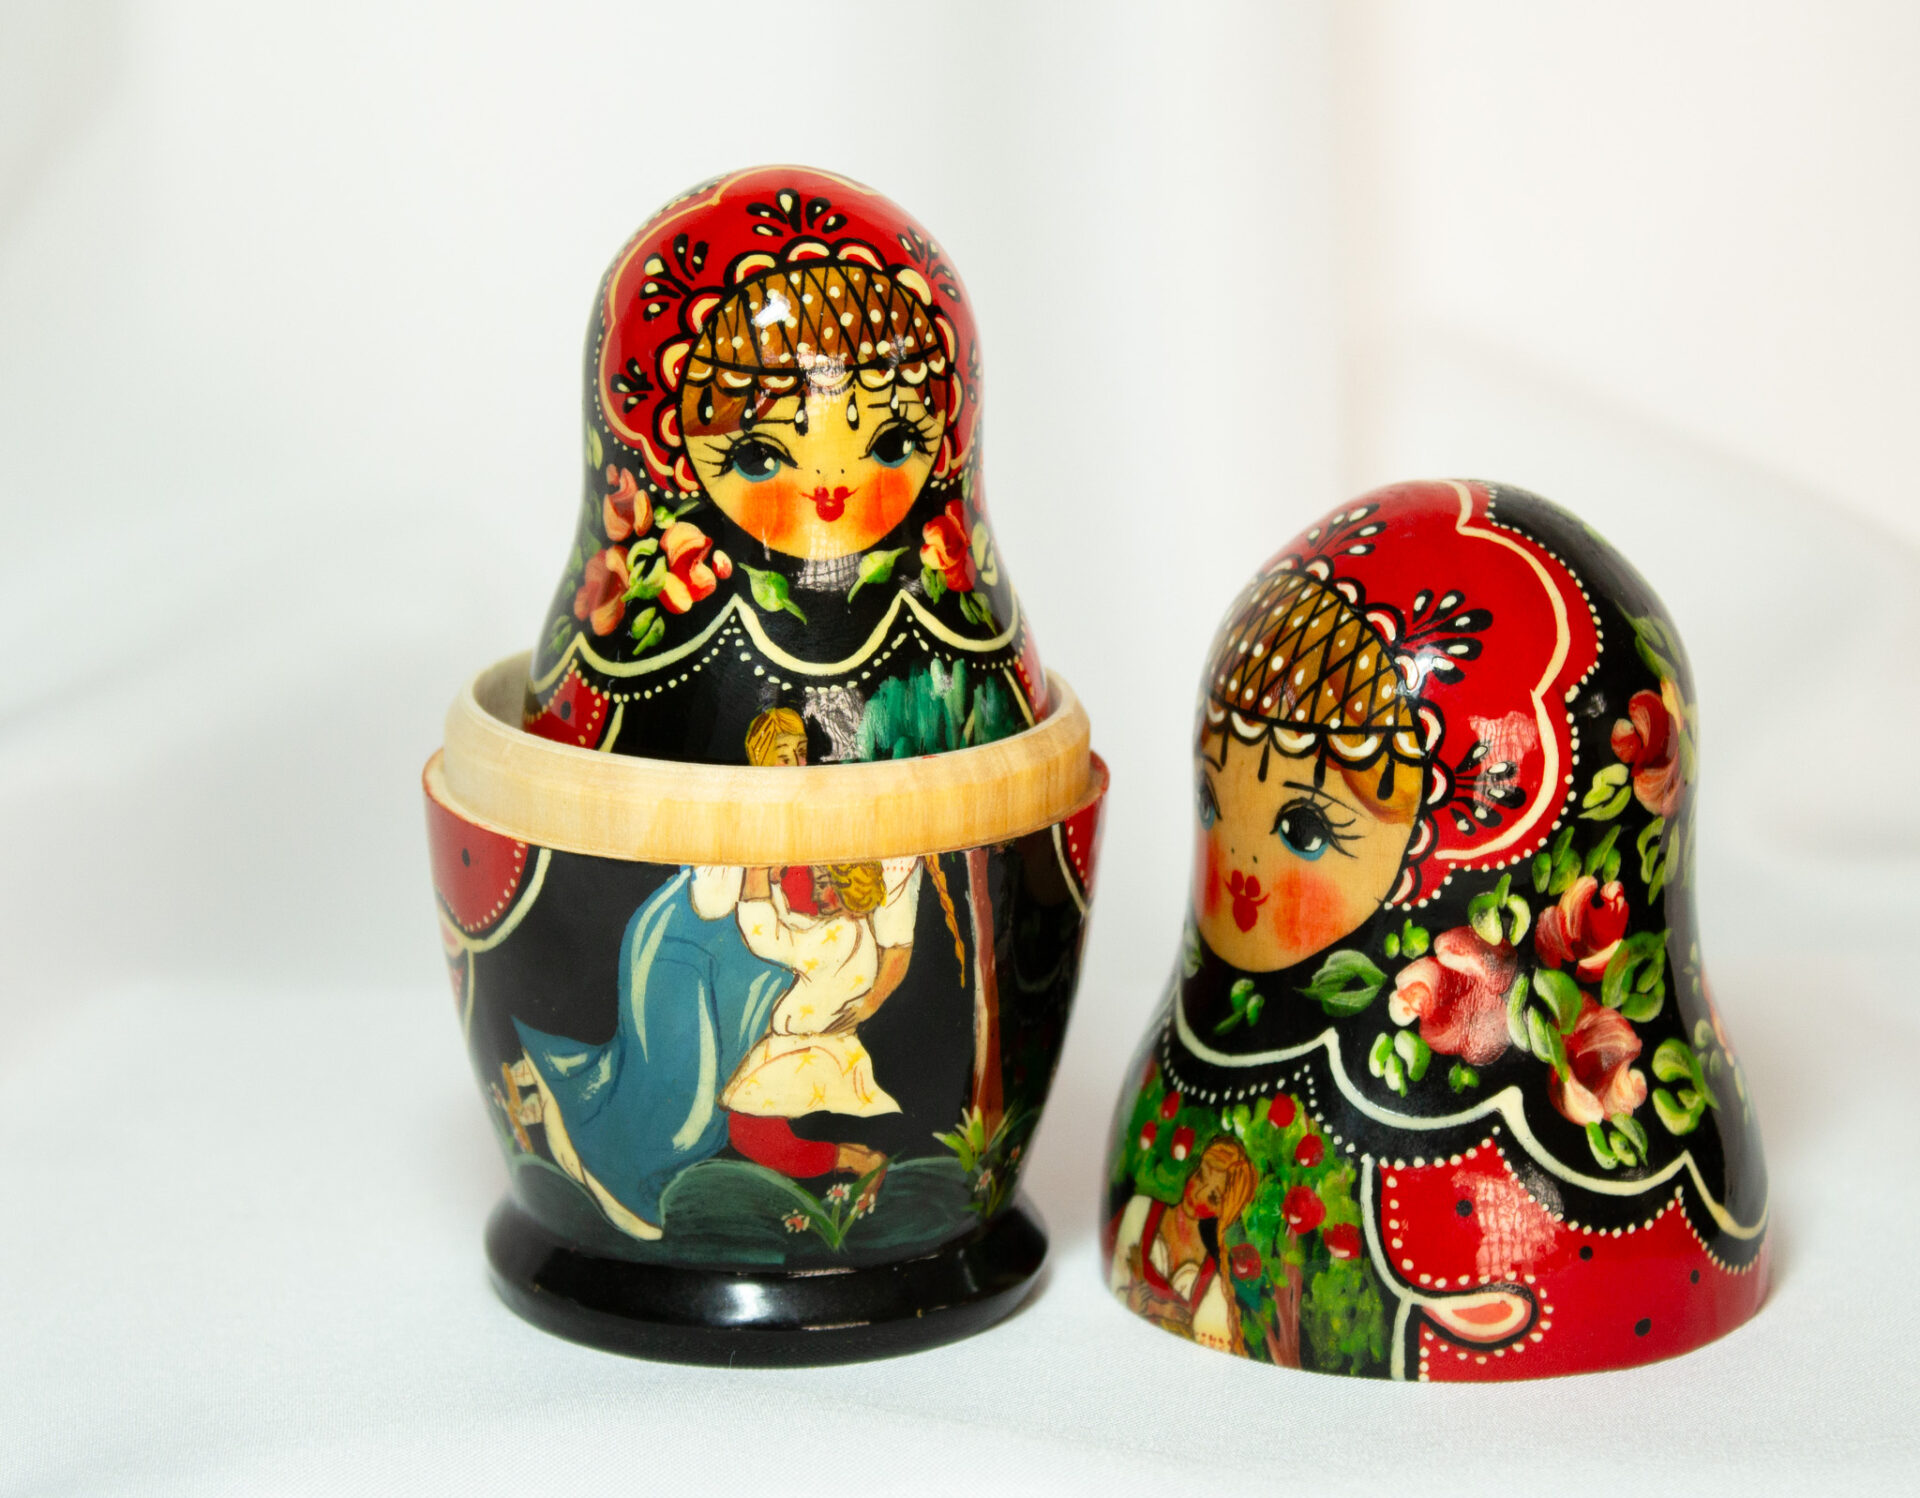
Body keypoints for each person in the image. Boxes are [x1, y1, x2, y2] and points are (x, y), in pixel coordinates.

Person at [718, 859, 923, 1181]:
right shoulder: (851, 930)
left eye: (825, 883)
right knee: (756, 1131)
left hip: (808, 1051)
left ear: (849, 889)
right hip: (807, 1047)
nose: (816, 893)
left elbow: (771, 939)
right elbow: (793, 926)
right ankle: (856, 1160)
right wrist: (772, 885)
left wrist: (756, 876)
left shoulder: (840, 935)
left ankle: (855, 1161)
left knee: (750, 1131)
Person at [1108, 1137, 1258, 1355]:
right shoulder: (1139, 1212)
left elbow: (1208, 1345)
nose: (1197, 1194)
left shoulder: (1213, 1284)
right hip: (1122, 1345)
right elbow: (1114, 1282)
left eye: (1213, 1197)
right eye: (1200, 1176)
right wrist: (1135, 1301)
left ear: (1222, 1212)